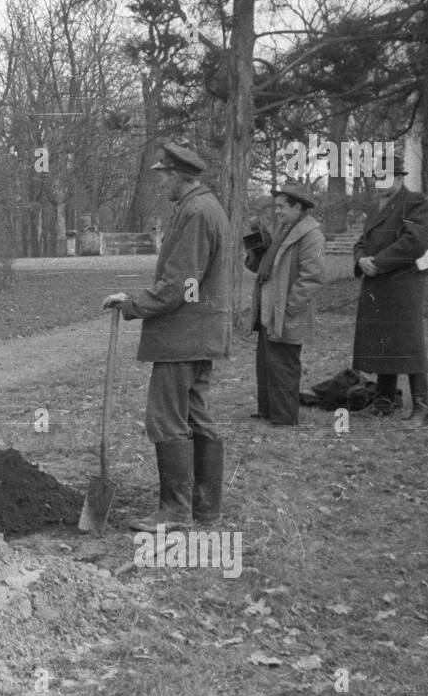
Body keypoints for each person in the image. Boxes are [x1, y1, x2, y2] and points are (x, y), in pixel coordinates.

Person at [103, 143, 230, 532]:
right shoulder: (205, 208)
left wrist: (133, 303)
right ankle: (206, 509)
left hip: (184, 335)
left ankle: (175, 512)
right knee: (197, 416)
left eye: (163, 177)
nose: (161, 185)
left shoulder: (195, 212)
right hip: (199, 333)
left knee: (167, 418)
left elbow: (179, 284)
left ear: (177, 175)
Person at [351, 160, 428, 426]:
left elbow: (415, 243)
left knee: (409, 344)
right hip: (377, 285)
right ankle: (385, 401)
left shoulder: (416, 201)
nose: (379, 183)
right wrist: (361, 260)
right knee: (383, 342)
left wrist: (379, 262)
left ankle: (421, 407)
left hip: (403, 284)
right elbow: (362, 242)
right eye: (376, 177)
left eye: (384, 177)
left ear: (399, 178)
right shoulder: (376, 206)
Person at [243, 184, 326, 426]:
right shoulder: (283, 230)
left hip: (287, 312)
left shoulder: (312, 235)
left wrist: (289, 307)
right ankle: (268, 410)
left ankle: (284, 416)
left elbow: (313, 277)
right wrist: (256, 250)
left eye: (281, 206)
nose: (277, 211)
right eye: (276, 206)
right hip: (269, 310)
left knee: (284, 364)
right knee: (267, 362)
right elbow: (262, 267)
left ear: (298, 207)